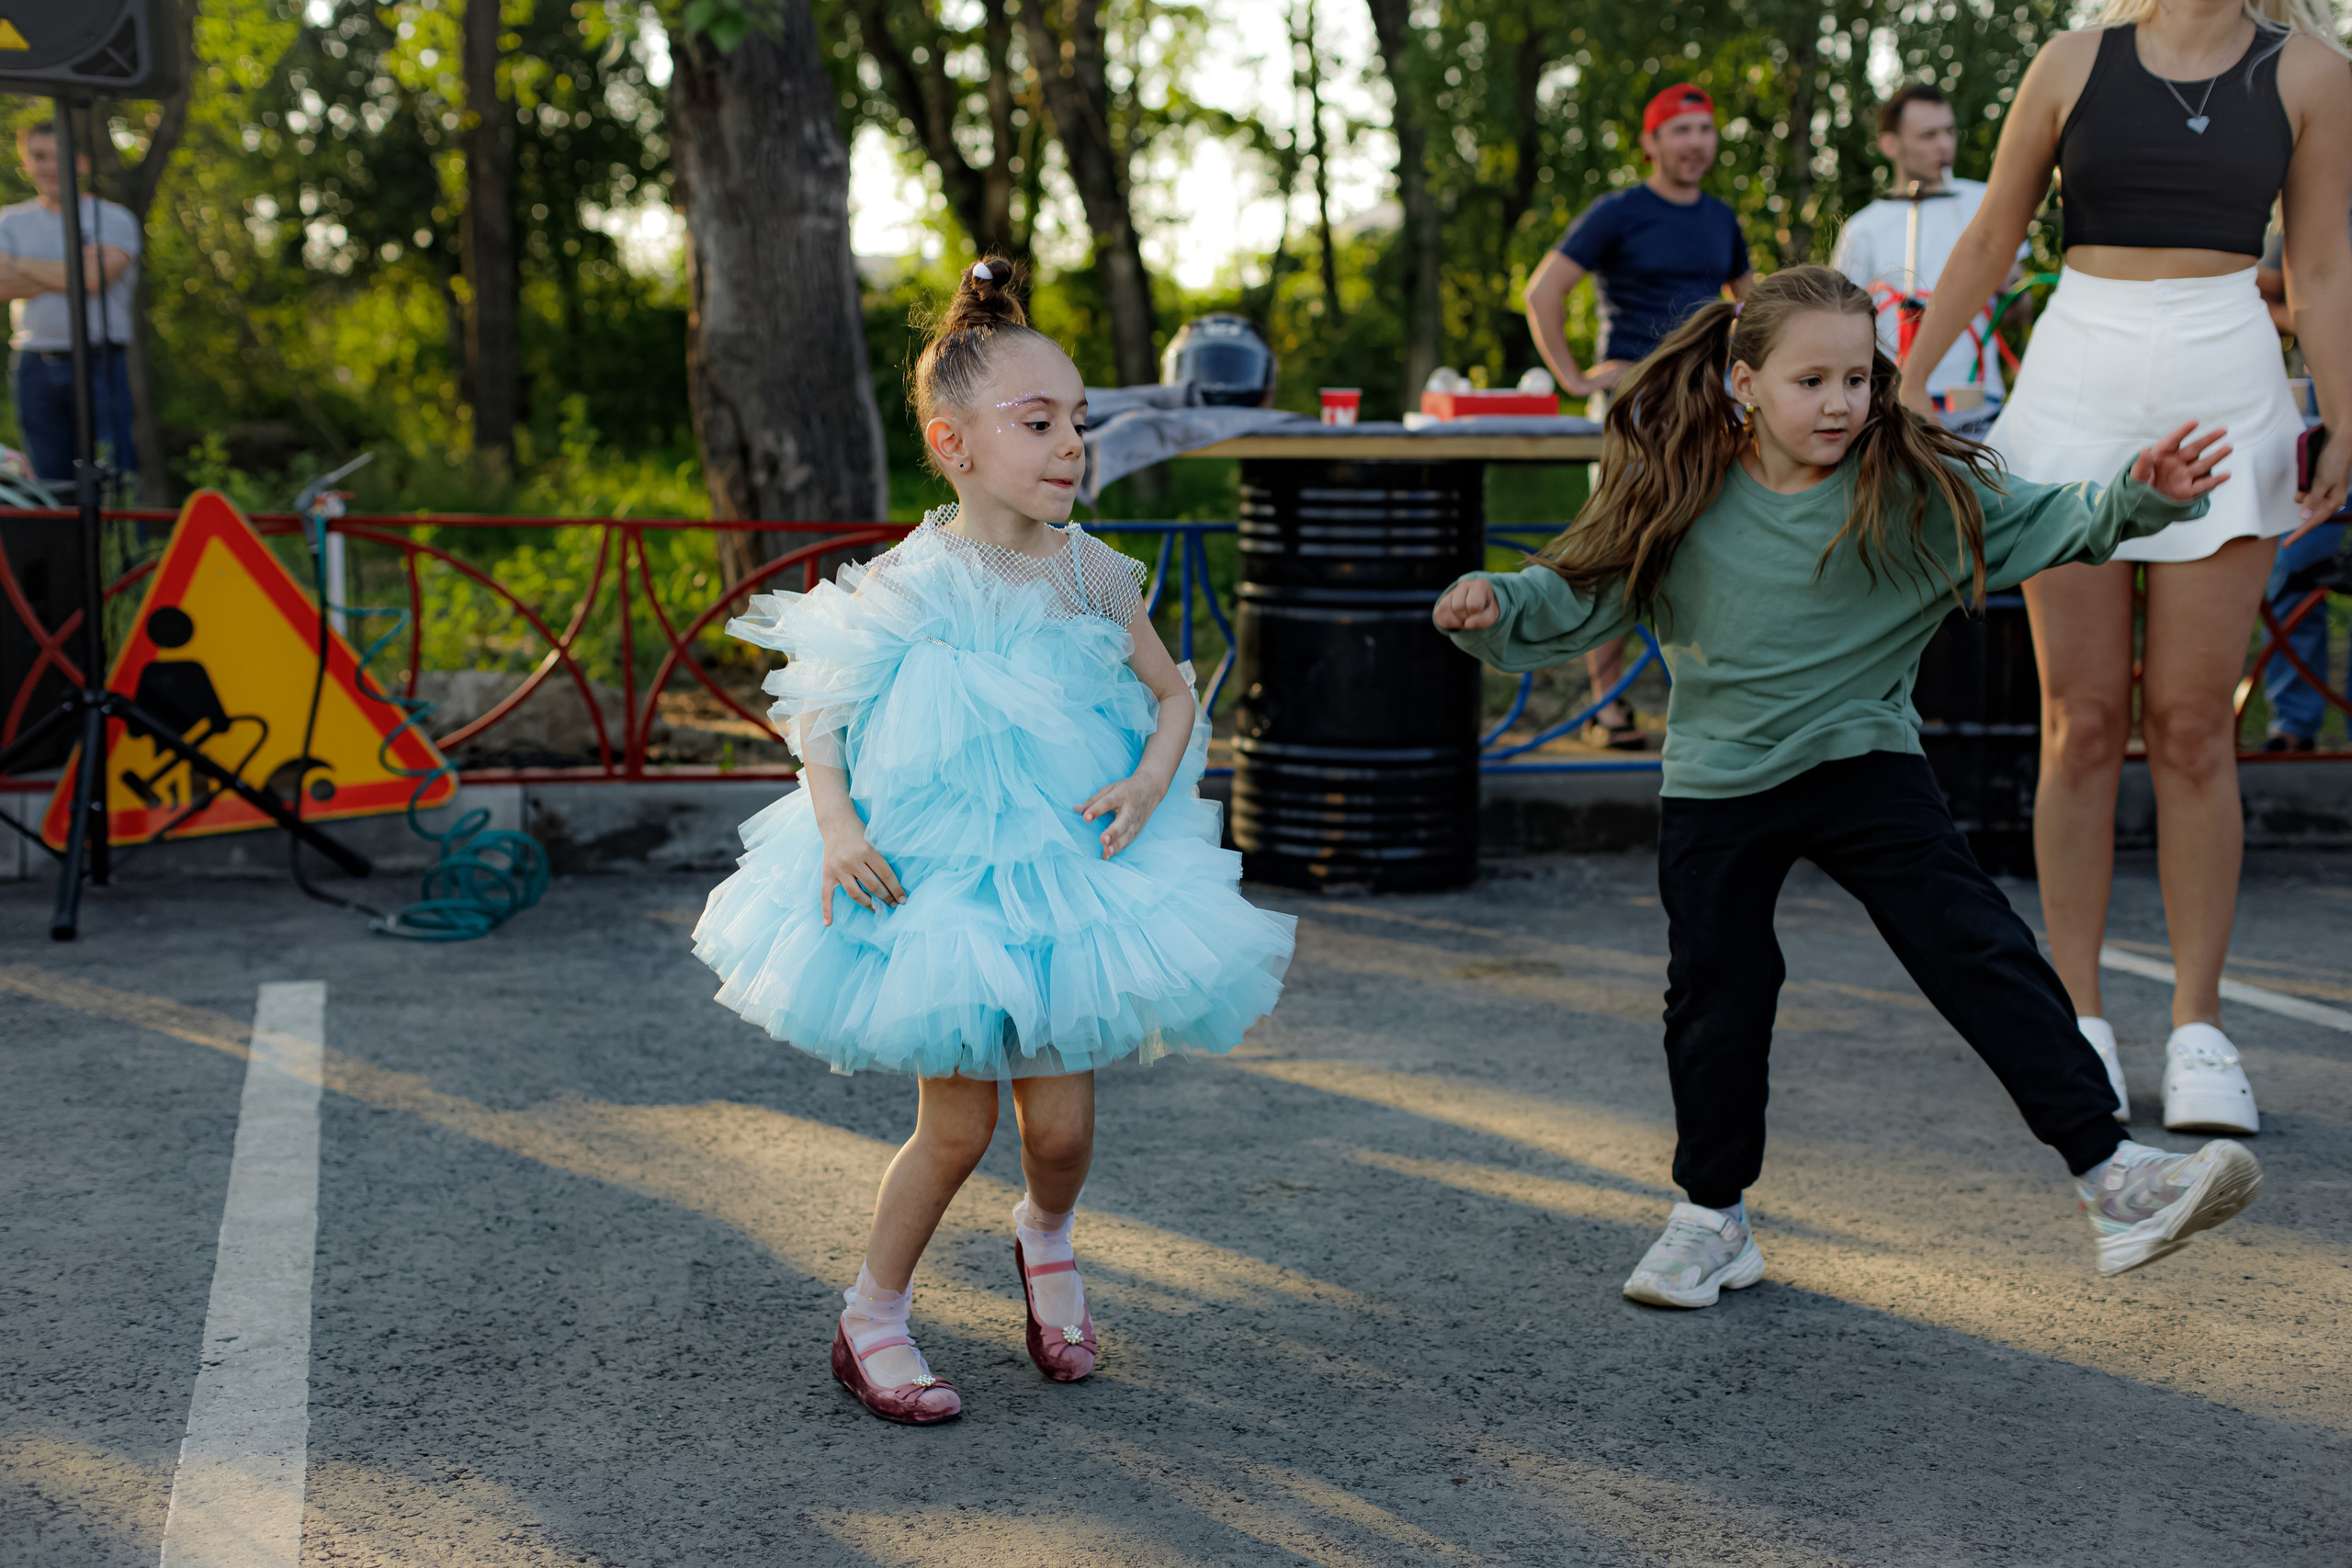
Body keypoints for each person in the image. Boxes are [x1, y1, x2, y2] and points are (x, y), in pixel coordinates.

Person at [1434, 266, 2262, 1308]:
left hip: (1861, 758)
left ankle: (2113, 1177)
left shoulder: (1908, 491)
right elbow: (1579, 585)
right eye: (1810, 380)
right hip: (1720, 779)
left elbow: (2055, 520)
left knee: (1978, 947)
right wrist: (1495, 599)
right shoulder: (1683, 488)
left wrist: (2143, 495)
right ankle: (1711, 1217)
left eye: (1859, 379)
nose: (1838, 404)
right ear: (1743, 383)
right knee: (1717, 998)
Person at [692, 259, 1295, 1424]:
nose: (1072, 443)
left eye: (1079, 420)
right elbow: (821, 708)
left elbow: (1175, 699)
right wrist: (835, 826)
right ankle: (870, 1318)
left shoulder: (1093, 575)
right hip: (941, 890)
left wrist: (1146, 782)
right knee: (958, 1127)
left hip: (1067, 881)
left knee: (1059, 1133)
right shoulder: (913, 581)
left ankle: (1047, 1236)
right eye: (1039, 423)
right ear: (954, 442)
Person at [1901, 0, 2352, 1135]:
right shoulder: (2069, 62)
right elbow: (1991, 235)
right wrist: (1904, 387)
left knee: (2196, 724)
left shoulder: (2311, 71)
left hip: (2227, 381)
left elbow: (2321, 262)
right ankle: (2079, 1020)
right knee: (2082, 720)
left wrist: (2343, 414)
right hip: (2075, 385)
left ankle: (2200, 1031)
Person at [1523, 84, 1755, 750]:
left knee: (1713, 545)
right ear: (1651, 143)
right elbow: (1544, 292)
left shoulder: (1720, 218)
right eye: (1680, 130)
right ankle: (1608, 709)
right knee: (1617, 549)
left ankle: (1711, 705)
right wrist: (1573, 377)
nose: (1695, 142)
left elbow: (1753, 310)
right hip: (1635, 407)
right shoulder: (1619, 212)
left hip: (1709, 404)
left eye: (1705, 129)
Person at [1831, 83, 2031, 407]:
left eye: (1949, 132)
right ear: (1890, 144)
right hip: (1892, 400)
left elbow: (2019, 308)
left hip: (1973, 398)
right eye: (1928, 135)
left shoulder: (1986, 202)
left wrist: (2012, 295)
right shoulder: (1862, 228)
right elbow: (1840, 324)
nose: (1944, 145)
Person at [0, 119, 140, 492]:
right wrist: (74, 265)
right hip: (33, 365)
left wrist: (19, 265)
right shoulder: (8, 220)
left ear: (81, 162)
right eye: (39, 156)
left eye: (58, 156)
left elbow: (95, 279)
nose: (49, 166)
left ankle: (114, 552)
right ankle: (62, 553)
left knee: (113, 478)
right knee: (50, 485)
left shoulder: (113, 218)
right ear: (25, 161)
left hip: (99, 363)